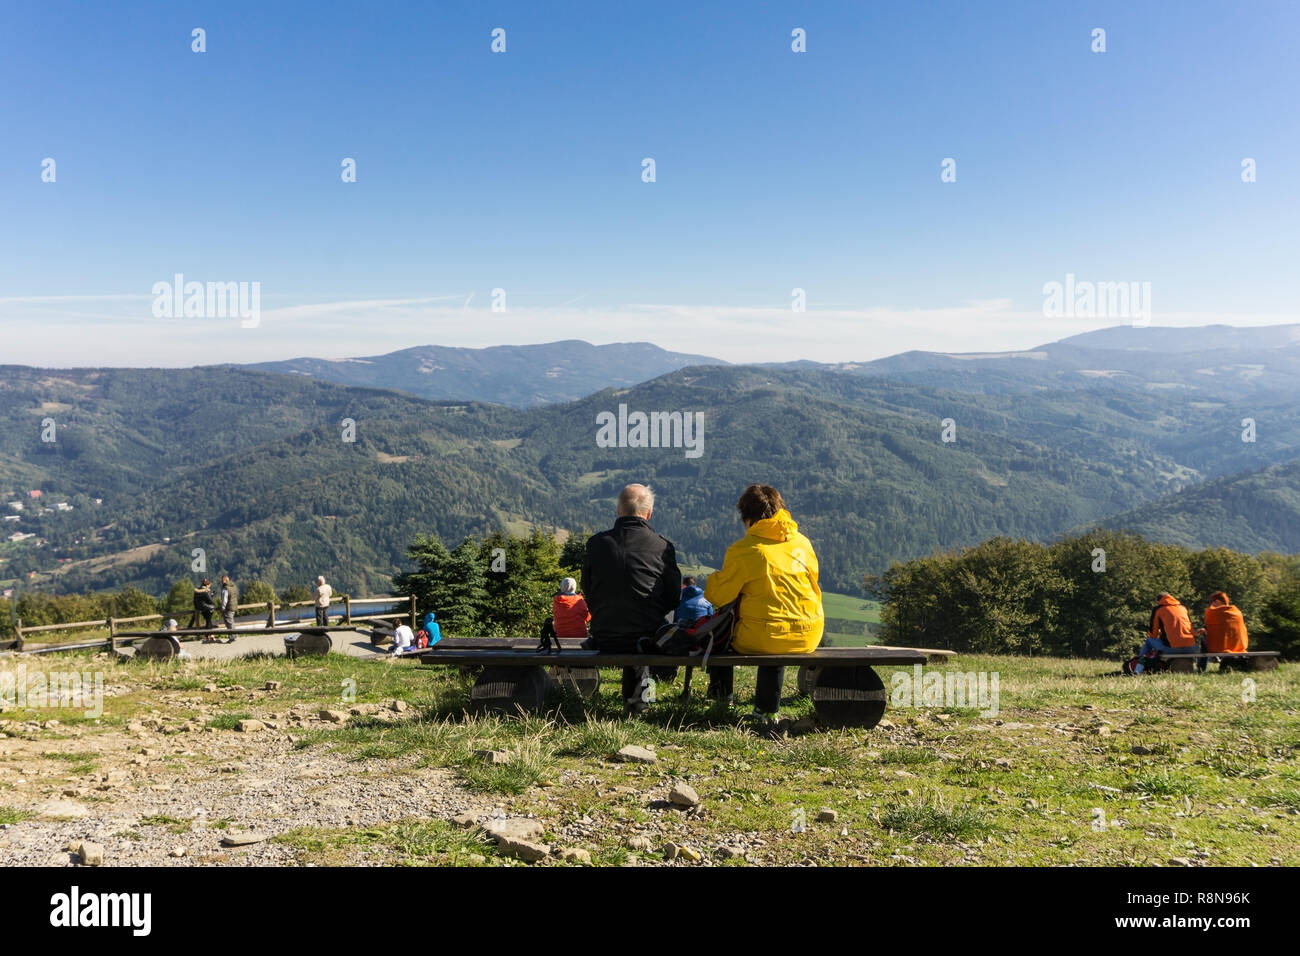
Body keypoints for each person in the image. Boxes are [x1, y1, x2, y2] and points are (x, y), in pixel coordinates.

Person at [702, 484, 824, 727]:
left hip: (764, 637)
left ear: (747, 518)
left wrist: (715, 578)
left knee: (720, 630)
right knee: (775, 621)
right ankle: (766, 711)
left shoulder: (745, 550)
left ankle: (721, 698)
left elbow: (718, 597)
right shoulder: (802, 543)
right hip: (809, 634)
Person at [582, 483, 682, 715]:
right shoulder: (662, 546)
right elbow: (673, 597)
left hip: (604, 635)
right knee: (648, 617)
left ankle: (637, 699)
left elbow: (588, 589)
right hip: (647, 638)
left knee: (628, 611)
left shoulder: (596, 544)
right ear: (649, 513)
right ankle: (638, 702)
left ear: (618, 511)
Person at [1133, 592, 1199, 673]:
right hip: (1191, 648)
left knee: (1149, 641)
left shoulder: (1158, 610)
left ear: (1159, 601)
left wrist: (1159, 634)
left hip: (1173, 649)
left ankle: (1137, 667)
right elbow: (1190, 628)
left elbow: (1153, 634)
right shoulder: (1183, 608)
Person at [1195, 591, 1249, 672]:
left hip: (1218, 647)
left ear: (1217, 601)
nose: (1211, 605)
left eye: (1212, 602)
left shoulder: (1212, 612)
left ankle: (1201, 668)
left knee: (1203, 639)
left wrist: (1205, 632)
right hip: (1239, 647)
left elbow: (1214, 630)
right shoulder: (1236, 612)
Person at [219, 574, 239, 644]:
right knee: (232, 622)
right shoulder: (233, 586)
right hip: (234, 606)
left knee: (229, 623)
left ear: (225, 580)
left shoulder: (226, 588)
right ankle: (235, 636)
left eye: (222, 581)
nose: (221, 582)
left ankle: (232, 638)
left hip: (228, 608)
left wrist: (223, 608)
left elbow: (225, 599)